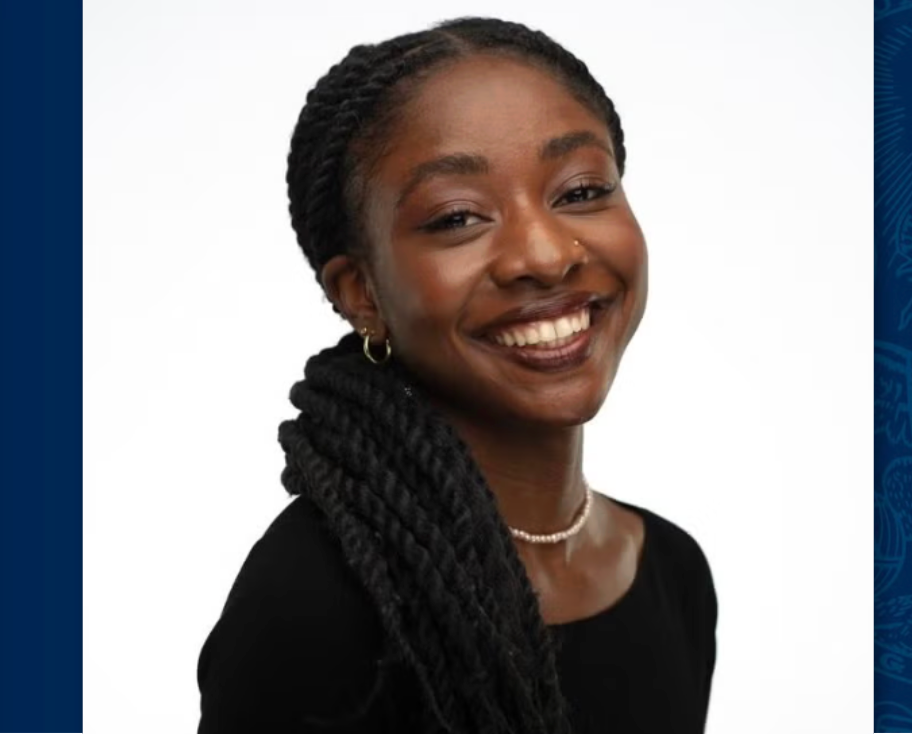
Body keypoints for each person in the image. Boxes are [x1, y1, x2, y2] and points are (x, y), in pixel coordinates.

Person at [197, 16, 717, 733]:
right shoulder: (317, 600)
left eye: (580, 190)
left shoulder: (672, 573)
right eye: (457, 218)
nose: (543, 253)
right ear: (362, 295)